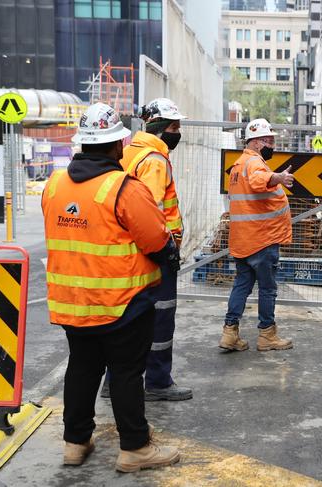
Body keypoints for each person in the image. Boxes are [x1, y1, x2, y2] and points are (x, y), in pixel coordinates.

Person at [42, 103, 180, 471]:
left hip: (73, 303)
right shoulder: (123, 187)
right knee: (126, 372)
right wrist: (170, 255)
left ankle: (75, 442)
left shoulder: (54, 184)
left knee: (83, 368)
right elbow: (155, 240)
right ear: (116, 145)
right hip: (122, 304)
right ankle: (135, 447)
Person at [108, 97, 192, 402]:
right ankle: (157, 381)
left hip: (128, 252)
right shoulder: (155, 160)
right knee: (160, 317)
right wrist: (167, 251)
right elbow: (153, 213)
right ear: (158, 127)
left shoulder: (129, 152)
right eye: (174, 126)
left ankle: (111, 380)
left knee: (126, 317)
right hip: (156, 252)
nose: (178, 132)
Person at [219, 118, 295, 352]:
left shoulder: (238, 165)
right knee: (267, 288)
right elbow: (259, 180)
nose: (273, 146)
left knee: (241, 285)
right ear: (257, 142)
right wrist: (279, 178)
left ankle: (230, 334)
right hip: (262, 240)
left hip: (243, 240)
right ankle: (267, 335)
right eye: (270, 141)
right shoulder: (254, 164)